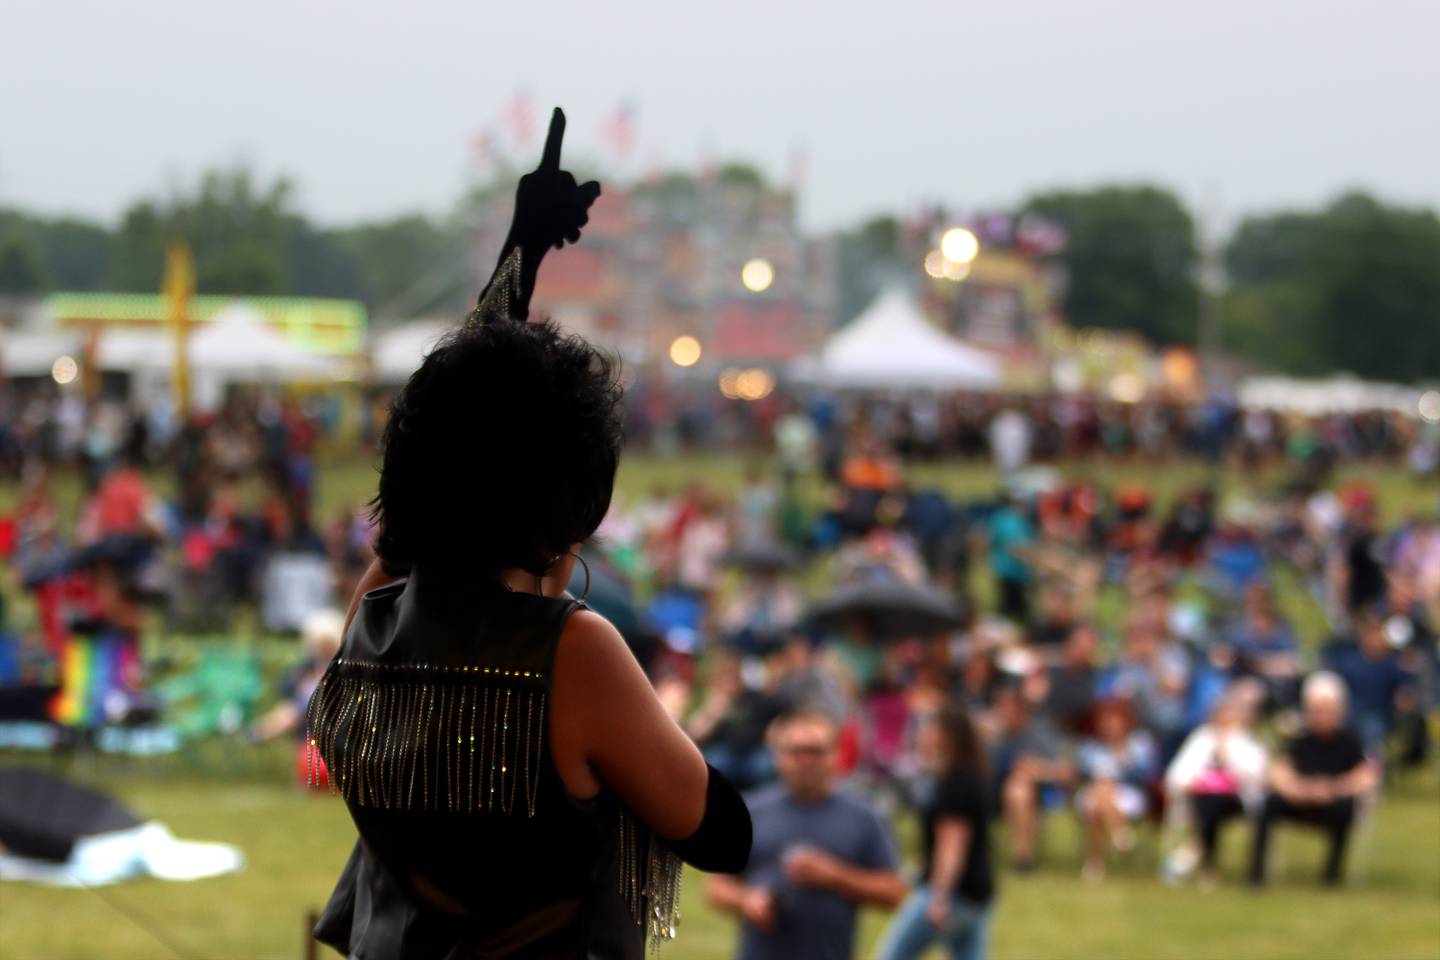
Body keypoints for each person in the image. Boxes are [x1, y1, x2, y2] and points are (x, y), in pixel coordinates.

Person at [308, 109, 751, 960]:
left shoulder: (371, 626)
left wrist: (517, 261)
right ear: (574, 499)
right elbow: (719, 831)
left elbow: (446, 444)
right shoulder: (570, 652)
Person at [706, 710, 906, 960]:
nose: (806, 760)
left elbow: (894, 892)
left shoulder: (864, 817)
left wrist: (835, 876)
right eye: (796, 752)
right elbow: (717, 887)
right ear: (778, 757)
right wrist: (747, 900)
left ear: (836, 755)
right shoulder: (750, 811)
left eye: (816, 751)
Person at [877, 704, 995, 960]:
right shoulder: (968, 777)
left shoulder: (956, 785)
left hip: (953, 896)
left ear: (948, 736)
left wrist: (939, 898)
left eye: (929, 729)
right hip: (978, 895)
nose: (922, 735)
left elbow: (952, 844)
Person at [1248, 672, 1378, 887]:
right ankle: (1256, 874)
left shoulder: (1350, 741)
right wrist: (1296, 789)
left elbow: (1366, 774)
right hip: (1299, 798)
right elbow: (1279, 769)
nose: (1322, 717)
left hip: (1333, 800)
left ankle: (1331, 875)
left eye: (1328, 711)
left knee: (1346, 808)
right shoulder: (1299, 738)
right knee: (1269, 802)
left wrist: (1334, 789)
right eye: (1317, 711)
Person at [1161, 687, 1268, 888]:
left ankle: (1193, 854)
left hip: (1237, 800)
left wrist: (1227, 754)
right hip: (1201, 798)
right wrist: (1193, 781)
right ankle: (1204, 862)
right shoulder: (1201, 738)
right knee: (1208, 804)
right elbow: (1178, 773)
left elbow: (1256, 776)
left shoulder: (1246, 741)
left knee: (1211, 806)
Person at [1075, 698, 1158, 882]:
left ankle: (1094, 863)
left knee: (1098, 802)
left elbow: (1145, 775)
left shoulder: (1139, 744)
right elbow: (1083, 774)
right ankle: (1119, 832)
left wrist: (1123, 763)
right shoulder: (1090, 748)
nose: (1111, 727)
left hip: (1128, 794)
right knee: (1099, 795)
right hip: (1093, 793)